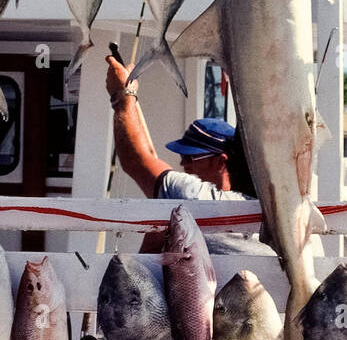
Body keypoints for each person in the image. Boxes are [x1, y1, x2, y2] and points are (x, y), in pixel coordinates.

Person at [106, 53, 273, 255]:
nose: (183, 162)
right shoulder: (281, 214)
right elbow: (151, 160)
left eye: (191, 157)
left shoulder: (197, 200)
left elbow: (137, 161)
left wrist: (123, 96)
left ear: (222, 161)